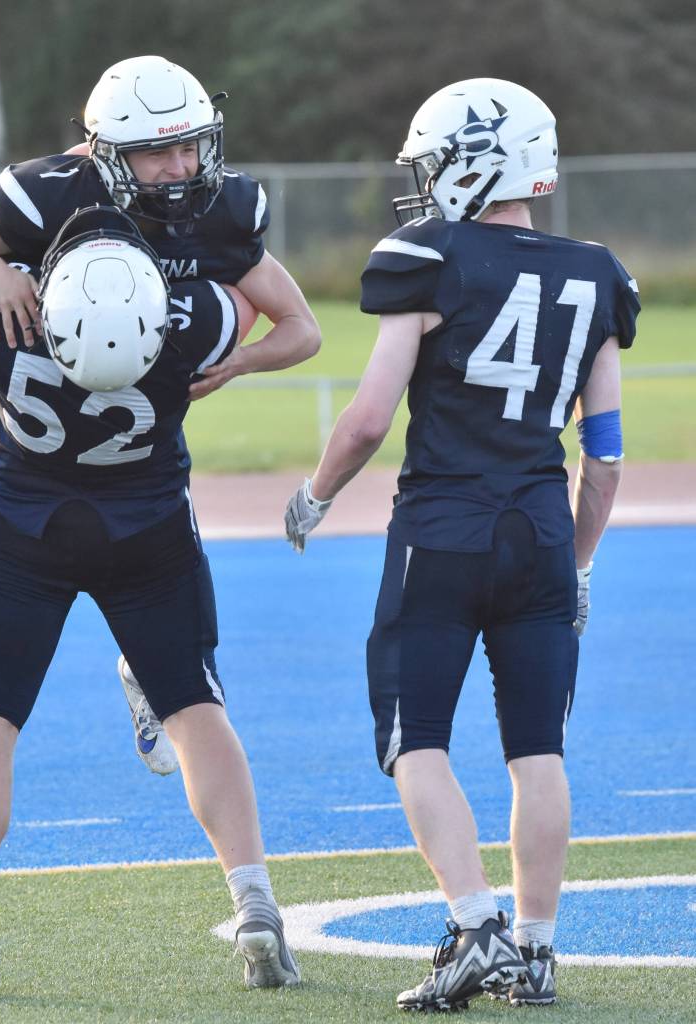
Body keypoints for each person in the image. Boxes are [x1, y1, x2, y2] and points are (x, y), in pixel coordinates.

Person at [284, 78, 638, 1011]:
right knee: (537, 750)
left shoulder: (425, 255)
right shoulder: (598, 273)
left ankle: (473, 925)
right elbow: (602, 460)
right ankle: (536, 949)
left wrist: (313, 499)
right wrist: (581, 563)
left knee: (415, 741)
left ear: (476, 160)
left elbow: (365, 420)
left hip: (443, 530)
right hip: (540, 534)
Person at [0, 206, 301, 996]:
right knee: (194, 708)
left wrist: (1, 264)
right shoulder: (197, 325)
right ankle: (255, 904)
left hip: (23, 528)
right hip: (146, 527)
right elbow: (255, 301)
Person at [0, 54, 321, 776]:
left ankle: (144, 673)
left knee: (154, 598)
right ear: (106, 152)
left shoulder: (219, 210)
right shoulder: (49, 195)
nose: (180, 166)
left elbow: (302, 329)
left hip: (138, 442)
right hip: (50, 414)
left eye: (190, 144)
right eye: (158, 150)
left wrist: (237, 361)